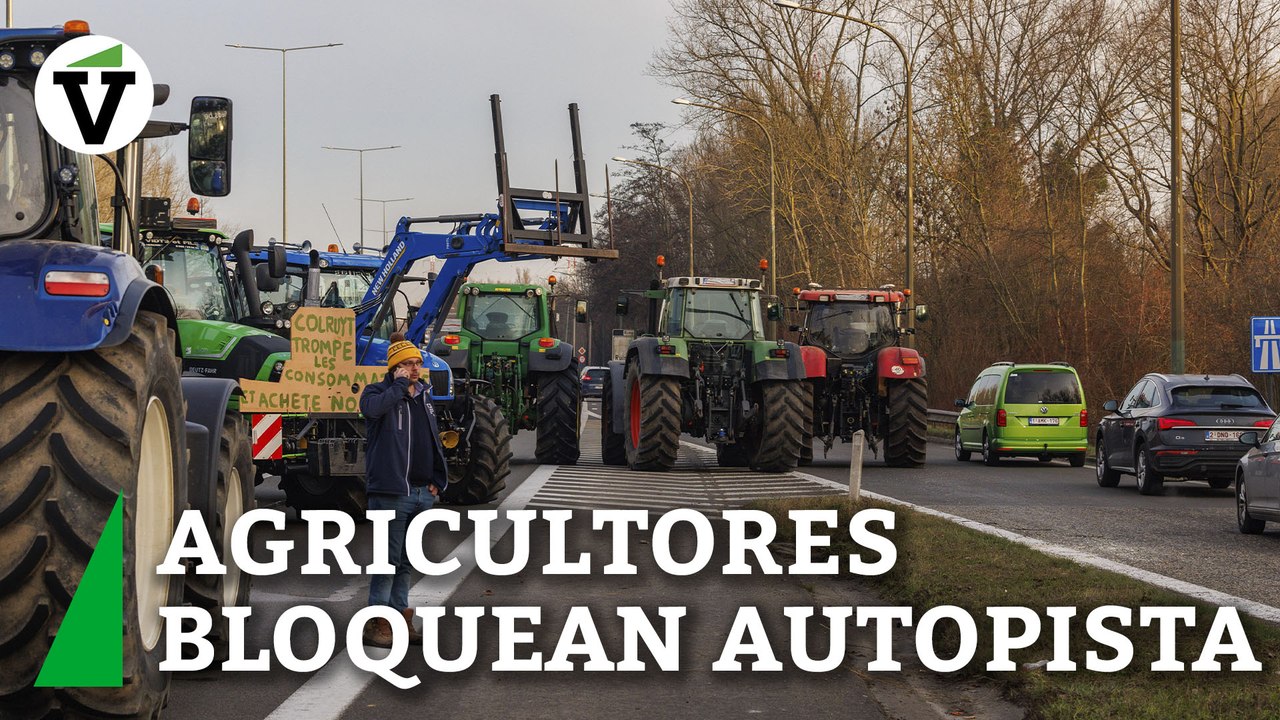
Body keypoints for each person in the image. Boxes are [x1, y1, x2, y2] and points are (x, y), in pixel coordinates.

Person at [359, 333, 449, 648]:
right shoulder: (377, 392)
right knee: (388, 560)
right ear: (395, 367)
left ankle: (399, 619)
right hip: (391, 492)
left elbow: (431, 438)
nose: (414, 369)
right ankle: (375, 624)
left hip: (422, 492)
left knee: (407, 560)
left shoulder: (423, 396)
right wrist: (397, 387)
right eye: (408, 364)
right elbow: (371, 411)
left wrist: (438, 478)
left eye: (416, 363)